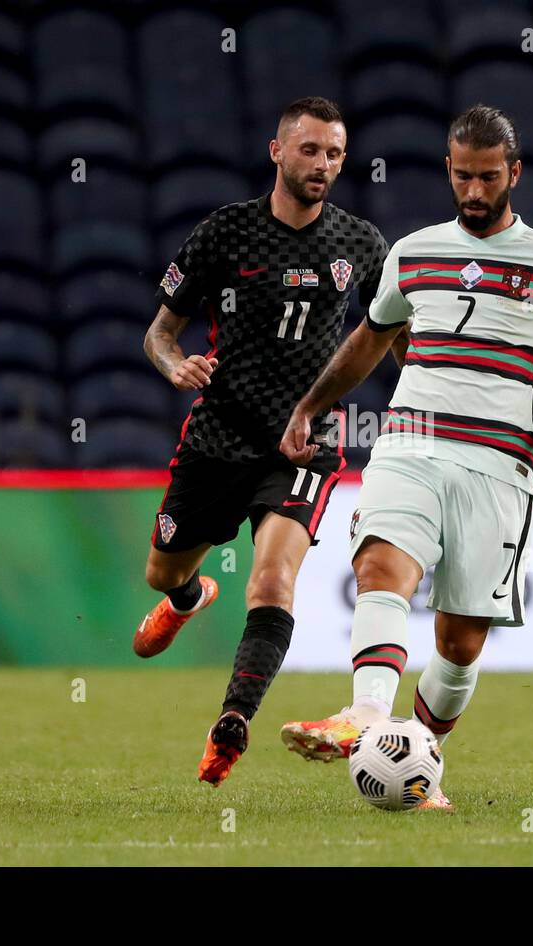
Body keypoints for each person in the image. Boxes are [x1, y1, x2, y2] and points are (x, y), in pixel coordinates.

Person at [278, 105, 533, 810]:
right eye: (463, 176)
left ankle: (417, 758)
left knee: (461, 639)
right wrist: (311, 405)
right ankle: (369, 717)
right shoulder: (412, 252)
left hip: (499, 463)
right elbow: (373, 338)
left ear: (515, 174)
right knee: (379, 563)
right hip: (409, 441)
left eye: (489, 178)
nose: (474, 191)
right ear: (449, 169)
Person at [137, 97, 388, 786]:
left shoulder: (361, 243)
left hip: (304, 444)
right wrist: (175, 364)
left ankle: (233, 721)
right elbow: (159, 333)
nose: (324, 165)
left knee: (273, 579)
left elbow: (392, 327)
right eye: (310, 150)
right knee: (163, 571)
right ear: (277, 152)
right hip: (218, 437)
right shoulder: (225, 234)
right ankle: (187, 600)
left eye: (335, 153)